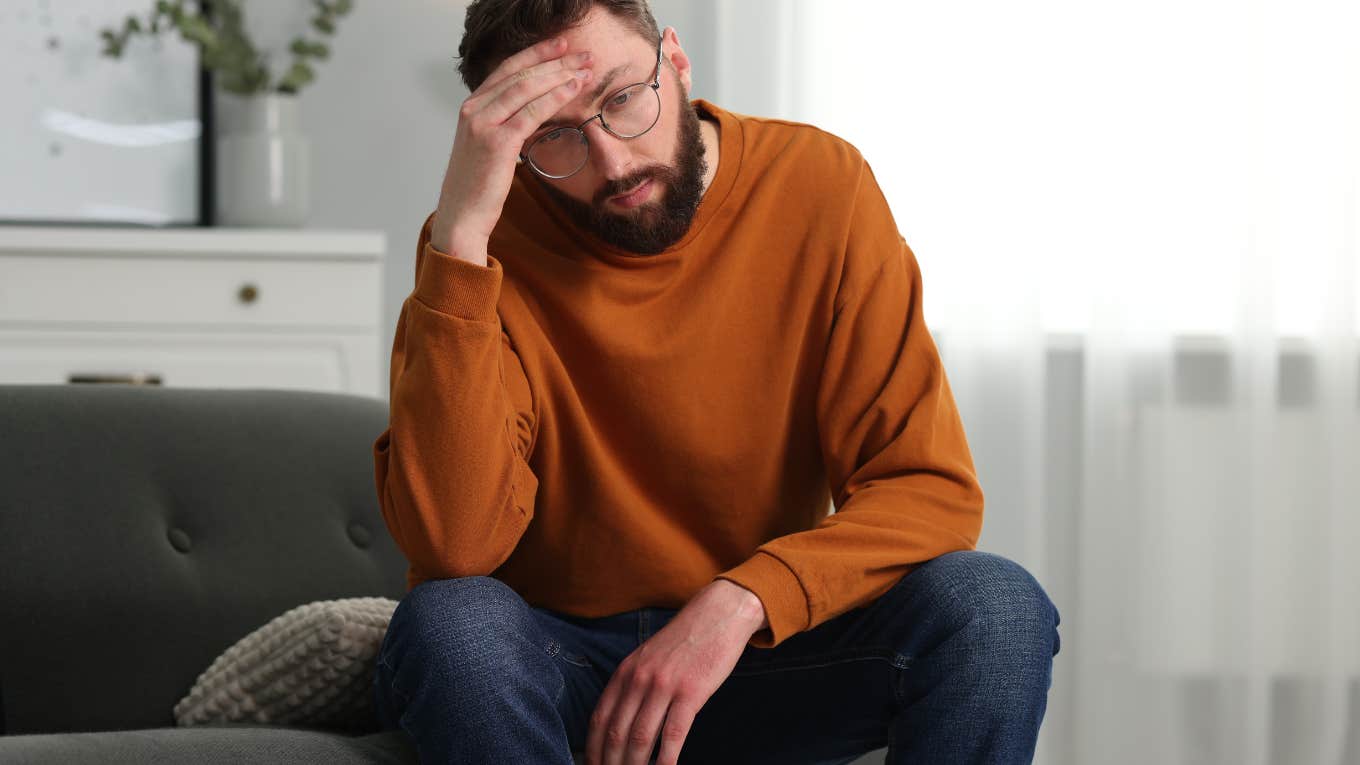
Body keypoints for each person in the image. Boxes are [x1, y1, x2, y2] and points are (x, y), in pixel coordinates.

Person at [370, 1, 1061, 763]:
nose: (613, 162)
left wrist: (742, 600)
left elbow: (927, 487)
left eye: (624, 99)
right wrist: (462, 235)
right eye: (554, 136)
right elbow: (455, 545)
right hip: (555, 667)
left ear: (676, 58)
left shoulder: (819, 185)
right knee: (452, 622)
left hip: (764, 654)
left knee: (994, 604)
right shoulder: (476, 244)